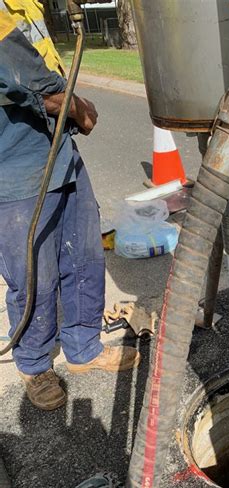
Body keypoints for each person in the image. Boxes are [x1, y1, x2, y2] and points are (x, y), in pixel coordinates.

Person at [0, 0, 140, 411]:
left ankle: (83, 347)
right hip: (13, 161)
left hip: (58, 147)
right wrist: (74, 105)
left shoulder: (25, 3)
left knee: (83, 254)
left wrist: (66, 107)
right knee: (33, 271)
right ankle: (35, 363)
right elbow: (22, 72)